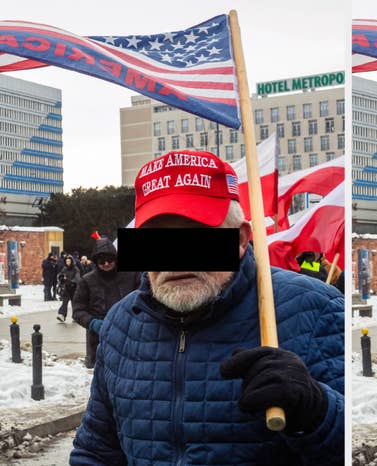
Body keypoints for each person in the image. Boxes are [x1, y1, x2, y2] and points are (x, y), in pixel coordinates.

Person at [70, 150, 344, 465]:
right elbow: (96, 451)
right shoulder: (122, 322)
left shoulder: (316, 309)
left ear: (241, 239)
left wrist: (317, 412)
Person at [72, 238, 141, 368]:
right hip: (99, 340)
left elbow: (143, 301)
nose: (106, 264)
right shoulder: (87, 281)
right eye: (101, 261)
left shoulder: (132, 275)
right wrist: (93, 323)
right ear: (96, 261)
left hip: (129, 336)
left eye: (110, 260)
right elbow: (78, 310)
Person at [56, 255, 81, 322]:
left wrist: (72, 282)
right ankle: (62, 315)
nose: (68, 262)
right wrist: (61, 278)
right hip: (66, 287)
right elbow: (61, 275)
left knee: (74, 303)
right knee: (64, 301)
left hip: (73, 288)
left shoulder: (75, 269)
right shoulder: (64, 268)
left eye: (69, 261)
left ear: (72, 261)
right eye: (66, 261)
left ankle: (75, 316)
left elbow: (77, 277)